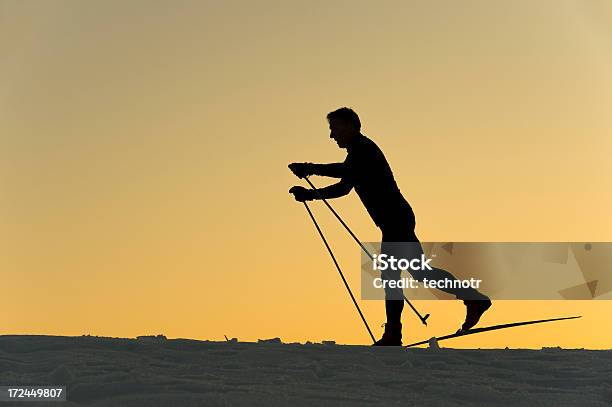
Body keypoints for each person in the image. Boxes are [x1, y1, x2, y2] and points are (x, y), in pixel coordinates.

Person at [288, 107, 491, 346]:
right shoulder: (357, 152)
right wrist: (310, 194)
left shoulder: (364, 149)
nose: (332, 135)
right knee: (417, 273)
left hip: (396, 219)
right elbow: (343, 187)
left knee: (393, 276)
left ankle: (395, 334)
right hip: (396, 219)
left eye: (335, 128)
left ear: (351, 126)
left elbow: (344, 172)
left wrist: (310, 168)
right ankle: (472, 299)